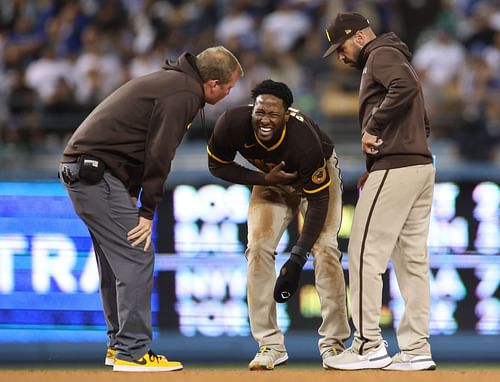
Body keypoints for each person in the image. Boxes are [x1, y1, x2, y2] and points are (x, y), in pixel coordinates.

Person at [58, 46, 242, 372]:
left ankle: (119, 347)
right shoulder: (183, 92)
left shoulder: (174, 83)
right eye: (227, 87)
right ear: (212, 83)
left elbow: (129, 139)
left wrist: (129, 190)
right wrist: (147, 209)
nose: (229, 93)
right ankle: (132, 352)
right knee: (136, 253)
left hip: (94, 171)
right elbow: (159, 153)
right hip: (95, 173)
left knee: (116, 262)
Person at [207, 79, 350, 370]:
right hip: (269, 179)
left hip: (316, 176)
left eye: (273, 114)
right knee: (257, 248)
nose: (264, 119)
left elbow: (319, 202)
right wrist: (263, 179)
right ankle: (269, 345)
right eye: (260, 112)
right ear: (252, 109)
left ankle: (334, 344)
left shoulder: (303, 141)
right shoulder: (232, 123)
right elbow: (217, 164)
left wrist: (297, 256)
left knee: (324, 249)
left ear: (286, 114)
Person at [321, 12, 437, 371]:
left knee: (362, 254)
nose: (339, 56)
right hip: (419, 166)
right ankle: (416, 348)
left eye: (340, 47)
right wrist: (378, 165)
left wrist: (376, 129)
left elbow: (405, 88)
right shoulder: (394, 55)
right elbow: (424, 121)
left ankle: (368, 342)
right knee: (411, 260)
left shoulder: (380, 55)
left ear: (357, 37)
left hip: (398, 166)